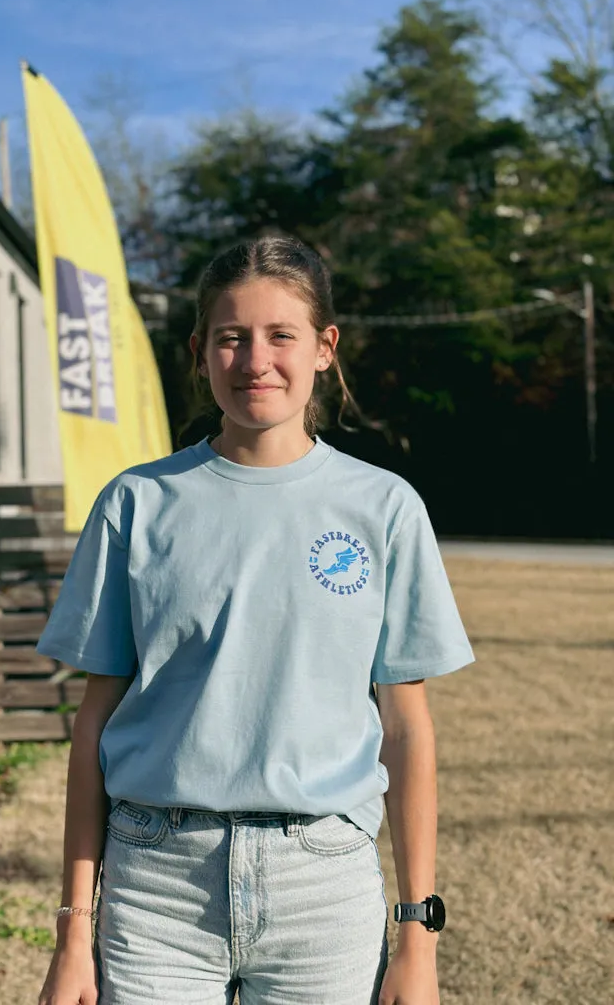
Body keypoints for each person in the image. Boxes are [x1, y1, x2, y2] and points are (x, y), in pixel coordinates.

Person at [36, 234, 474, 1005]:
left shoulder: (384, 508)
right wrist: (75, 932)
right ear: (201, 351)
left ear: (325, 348)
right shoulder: (136, 505)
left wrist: (418, 937)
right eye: (231, 338)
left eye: (281, 336)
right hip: (156, 886)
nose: (255, 361)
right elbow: (93, 727)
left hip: (324, 886)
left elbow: (407, 731)